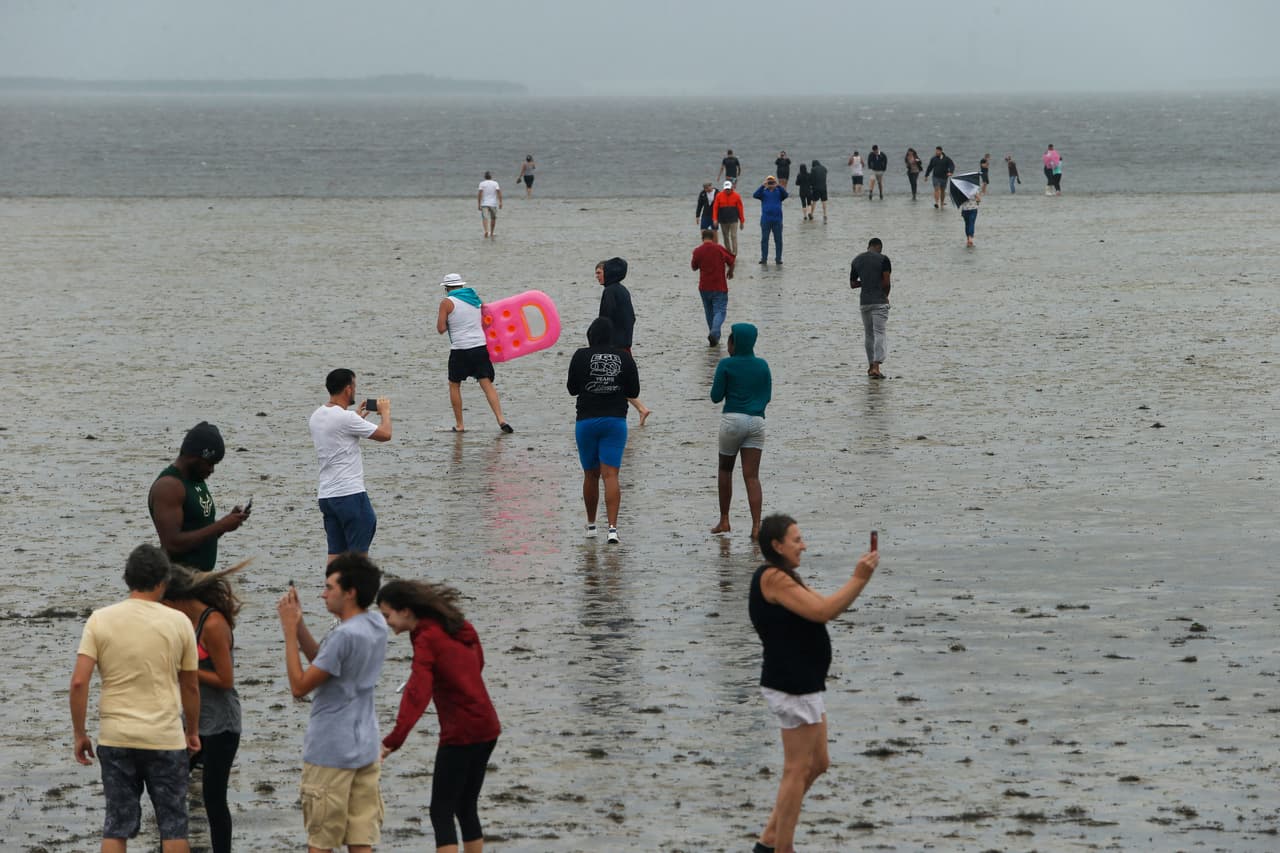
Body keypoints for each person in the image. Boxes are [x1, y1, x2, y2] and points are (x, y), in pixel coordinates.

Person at [747, 514, 879, 853]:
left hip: (805, 683)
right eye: (796, 540)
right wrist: (859, 578)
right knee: (796, 769)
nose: (803, 545)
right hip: (790, 684)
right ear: (777, 546)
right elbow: (823, 611)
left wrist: (858, 579)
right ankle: (782, 847)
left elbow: (822, 606)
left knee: (818, 762)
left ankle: (768, 841)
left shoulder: (785, 576)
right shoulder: (773, 579)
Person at [70, 544, 201, 853]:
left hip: (117, 738)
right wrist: (192, 731)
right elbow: (191, 687)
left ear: (128, 578)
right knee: (173, 827)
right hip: (165, 738)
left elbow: (78, 682)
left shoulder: (100, 620)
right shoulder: (179, 622)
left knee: (116, 826)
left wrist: (80, 733)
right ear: (162, 581)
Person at [378, 580, 502, 853]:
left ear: (406, 611)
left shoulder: (426, 637)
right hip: (488, 726)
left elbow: (417, 693)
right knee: (466, 806)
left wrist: (393, 740)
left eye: (387, 615)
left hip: (460, 732)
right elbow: (478, 663)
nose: (386, 622)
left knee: (440, 812)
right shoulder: (458, 625)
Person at [277, 553, 388, 853]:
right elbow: (322, 663)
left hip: (330, 751)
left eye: (329, 588)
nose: (323, 594)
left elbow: (300, 686)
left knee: (321, 841)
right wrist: (299, 625)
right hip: (365, 745)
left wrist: (288, 633)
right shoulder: (376, 623)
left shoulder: (344, 635)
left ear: (350, 592)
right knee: (361, 839)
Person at [163, 563, 245, 853]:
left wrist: (186, 668)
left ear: (176, 600)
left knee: (213, 798)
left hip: (222, 725)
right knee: (169, 791)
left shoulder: (213, 624)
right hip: (193, 723)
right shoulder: (187, 622)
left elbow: (225, 679)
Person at [567, 317, 641, 543]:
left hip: (586, 421)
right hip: (615, 421)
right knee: (611, 475)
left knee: (590, 474)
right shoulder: (624, 357)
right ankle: (612, 529)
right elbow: (634, 391)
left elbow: (571, 389)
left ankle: (591, 526)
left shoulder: (580, 355)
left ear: (590, 336)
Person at [309, 369, 393, 566]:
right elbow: (385, 434)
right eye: (354, 386)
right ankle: (355, 596)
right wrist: (386, 413)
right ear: (348, 389)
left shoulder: (317, 416)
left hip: (327, 496)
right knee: (357, 561)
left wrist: (357, 419)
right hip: (350, 495)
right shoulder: (347, 419)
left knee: (335, 556)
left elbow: (338, 435)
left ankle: (330, 593)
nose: (355, 390)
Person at [148, 421, 248, 572]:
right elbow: (172, 543)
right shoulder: (169, 487)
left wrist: (227, 524)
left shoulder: (196, 479)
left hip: (201, 580)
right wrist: (220, 525)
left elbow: (200, 535)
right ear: (194, 457)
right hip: (179, 583)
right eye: (209, 463)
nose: (212, 470)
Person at [709, 323, 771, 538]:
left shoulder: (726, 365)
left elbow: (715, 396)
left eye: (729, 341)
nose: (727, 346)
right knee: (752, 476)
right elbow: (768, 397)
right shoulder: (763, 365)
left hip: (733, 420)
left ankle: (724, 520)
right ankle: (756, 527)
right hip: (757, 422)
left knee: (725, 470)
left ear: (735, 343)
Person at [437, 273, 514, 434]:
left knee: (454, 384)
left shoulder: (447, 302)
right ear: (462, 286)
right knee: (486, 384)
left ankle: (460, 425)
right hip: (479, 347)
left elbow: (441, 329)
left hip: (460, 349)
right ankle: (501, 419)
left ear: (447, 288)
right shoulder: (475, 299)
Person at [595, 258, 652, 425]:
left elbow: (604, 320)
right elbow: (631, 318)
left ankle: (638, 409)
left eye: (599, 273)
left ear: (608, 272)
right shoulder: (622, 290)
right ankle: (639, 409)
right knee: (618, 379)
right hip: (624, 342)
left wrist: (600, 342)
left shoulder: (610, 291)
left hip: (615, 344)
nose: (597, 277)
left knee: (616, 380)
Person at [850, 237, 892, 379]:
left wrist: (866, 282)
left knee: (869, 334)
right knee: (879, 332)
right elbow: (886, 282)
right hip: (879, 301)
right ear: (879, 247)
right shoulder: (883, 259)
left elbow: (853, 284)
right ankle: (876, 366)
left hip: (864, 302)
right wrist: (885, 296)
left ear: (868, 246)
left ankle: (870, 366)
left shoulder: (856, 260)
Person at [691, 228, 736, 346]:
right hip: (719, 286)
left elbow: (694, 267)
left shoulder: (697, 251)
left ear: (702, 238)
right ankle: (715, 332)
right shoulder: (719, 248)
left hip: (704, 287)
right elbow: (732, 260)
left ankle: (714, 339)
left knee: (709, 312)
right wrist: (730, 272)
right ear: (713, 238)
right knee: (720, 311)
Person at [752, 176, 789, 265]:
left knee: (778, 240)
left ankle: (778, 259)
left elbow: (786, 195)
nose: (771, 184)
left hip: (777, 220)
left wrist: (778, 185)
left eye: (772, 182)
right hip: (766, 220)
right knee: (764, 240)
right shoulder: (763, 192)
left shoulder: (779, 192)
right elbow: (755, 195)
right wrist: (762, 186)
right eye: (769, 182)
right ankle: (764, 258)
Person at [711, 180, 744, 257]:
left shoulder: (736, 196)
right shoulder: (719, 195)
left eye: (728, 189)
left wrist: (742, 221)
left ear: (731, 188)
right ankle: (728, 252)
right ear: (724, 188)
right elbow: (715, 208)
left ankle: (734, 253)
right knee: (725, 236)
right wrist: (715, 219)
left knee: (733, 236)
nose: (727, 190)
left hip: (733, 220)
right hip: (723, 220)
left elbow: (740, 209)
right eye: (726, 189)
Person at [476, 171, 502, 238]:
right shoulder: (495, 183)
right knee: (493, 218)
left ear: (485, 177)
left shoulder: (482, 183)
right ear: (491, 177)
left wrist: (478, 204)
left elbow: (479, 194)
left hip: (484, 203)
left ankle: (486, 231)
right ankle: (492, 233)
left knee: (485, 218)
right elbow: (499, 193)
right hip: (493, 204)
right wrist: (500, 202)